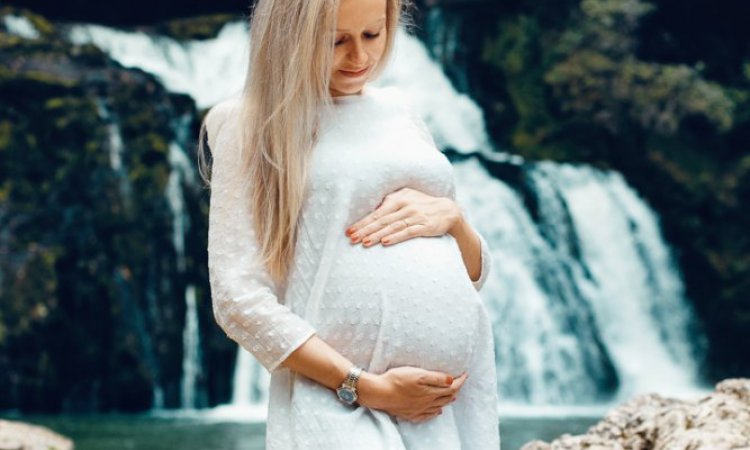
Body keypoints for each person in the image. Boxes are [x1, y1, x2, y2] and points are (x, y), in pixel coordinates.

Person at [198, 0, 500, 448]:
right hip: (339, 404)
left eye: (373, 35)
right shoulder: (250, 123)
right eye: (335, 41)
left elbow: (472, 277)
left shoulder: (401, 111)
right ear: (289, 37)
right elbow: (236, 297)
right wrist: (362, 385)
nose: (359, 57)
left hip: (446, 404)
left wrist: (455, 223)